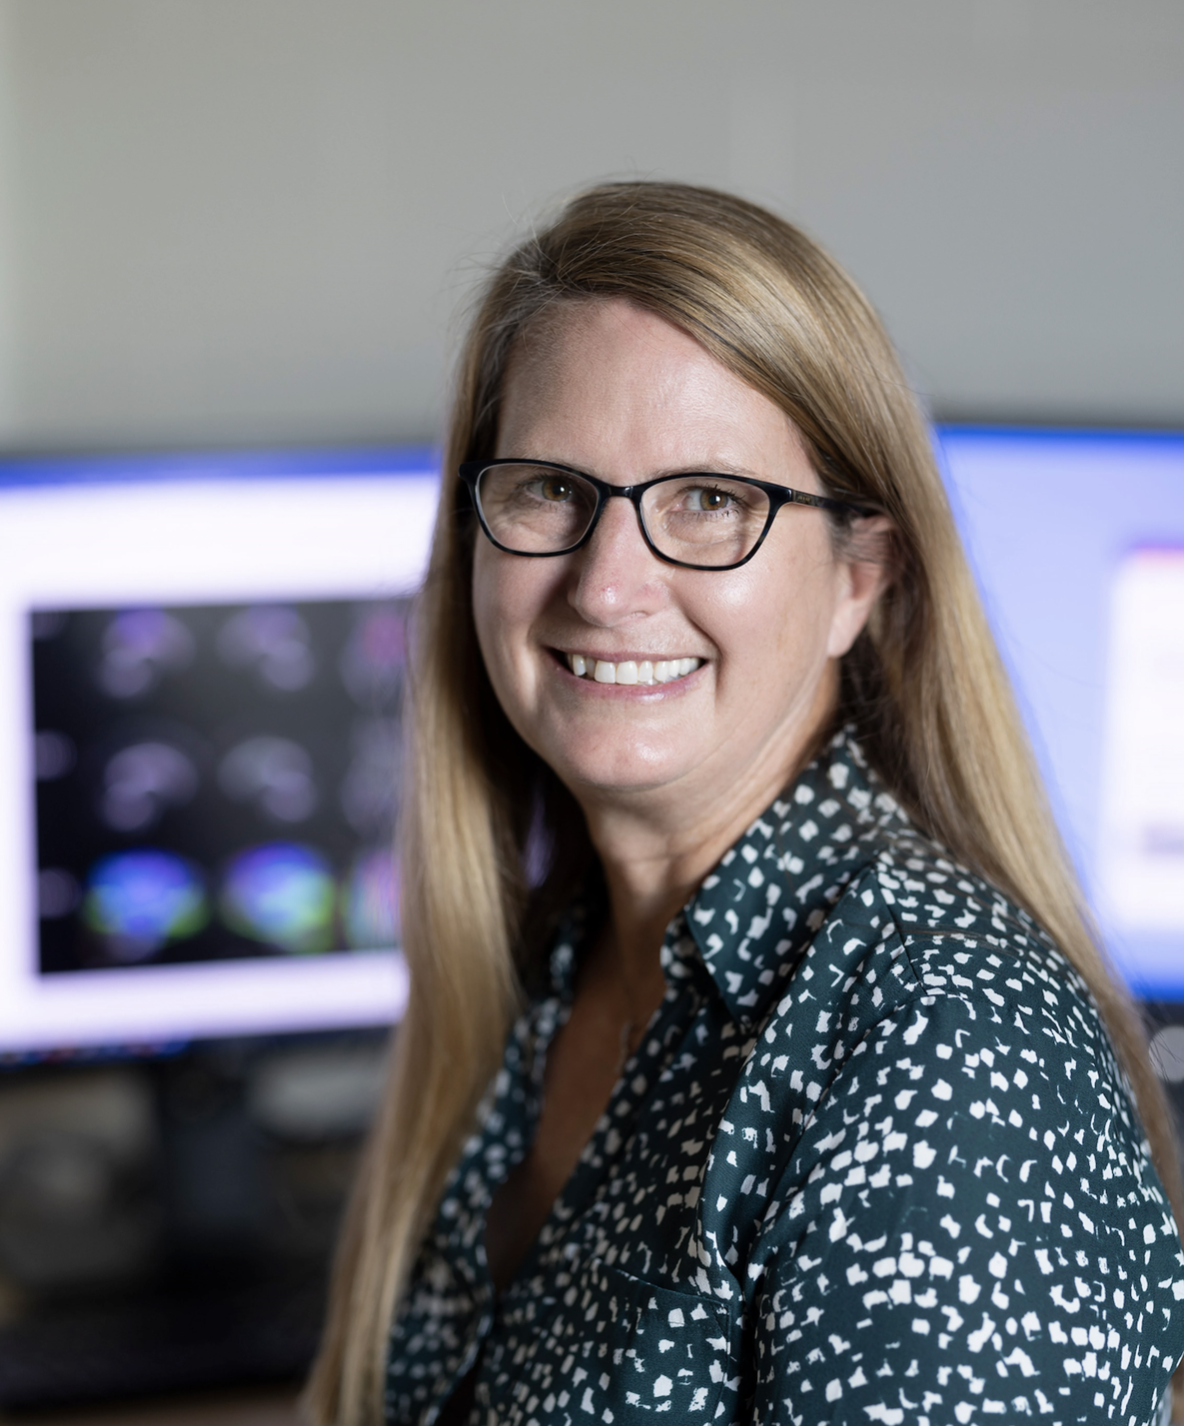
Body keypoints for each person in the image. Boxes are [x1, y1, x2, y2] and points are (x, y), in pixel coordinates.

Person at [307, 182, 1184, 1426]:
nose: (608, 588)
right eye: (552, 488)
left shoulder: (942, 1046)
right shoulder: (548, 962)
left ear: (856, 580)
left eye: (709, 502)